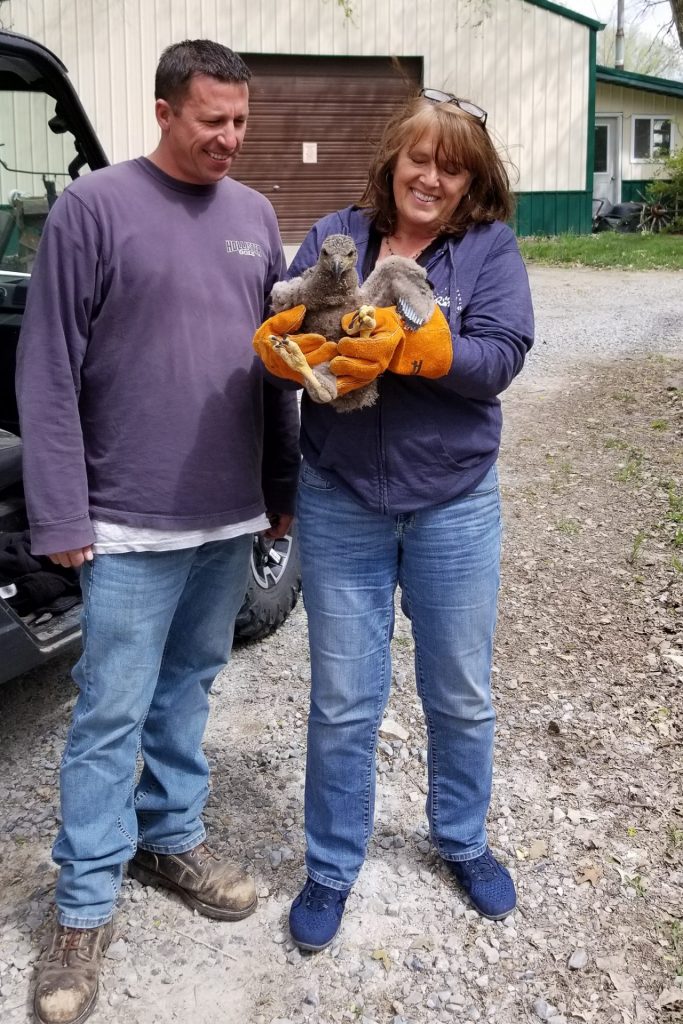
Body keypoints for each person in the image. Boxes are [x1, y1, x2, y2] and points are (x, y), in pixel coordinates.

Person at [17, 39, 299, 1024]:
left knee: (188, 688)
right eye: (211, 120)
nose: (228, 138)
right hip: (125, 518)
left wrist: (281, 482)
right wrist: (59, 508)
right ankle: (82, 908)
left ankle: (170, 832)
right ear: (164, 111)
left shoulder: (258, 218)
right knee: (109, 709)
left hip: (225, 515)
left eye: (239, 123)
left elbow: (279, 362)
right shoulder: (93, 210)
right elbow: (47, 370)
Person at [253, 88, 534, 951]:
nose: (431, 178)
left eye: (451, 168)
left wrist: (420, 347)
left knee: (458, 690)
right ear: (394, 161)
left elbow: (501, 355)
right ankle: (331, 867)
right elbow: (297, 316)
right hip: (341, 500)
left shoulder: (485, 249)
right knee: (342, 700)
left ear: (470, 182)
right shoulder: (337, 228)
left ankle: (461, 840)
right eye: (421, 159)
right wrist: (293, 343)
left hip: (452, 503)